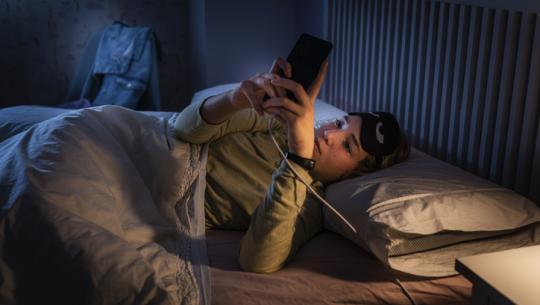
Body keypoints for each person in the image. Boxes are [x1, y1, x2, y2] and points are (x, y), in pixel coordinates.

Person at [173, 58, 410, 273]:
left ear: (354, 173)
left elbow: (257, 261)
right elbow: (183, 129)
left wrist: (298, 159)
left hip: (160, 197)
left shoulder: (310, 205)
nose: (329, 134)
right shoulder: (279, 126)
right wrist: (234, 99)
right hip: (160, 147)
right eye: (339, 123)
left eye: (348, 146)